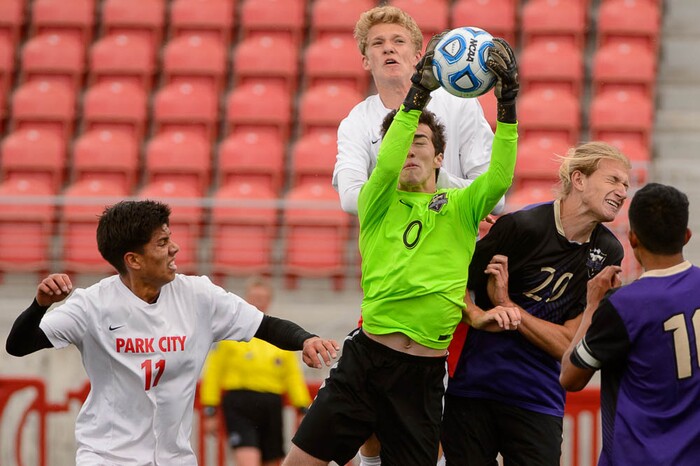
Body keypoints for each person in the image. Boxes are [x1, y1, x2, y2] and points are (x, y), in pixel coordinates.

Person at [281, 30, 520, 466]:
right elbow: (389, 158)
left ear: (440, 158)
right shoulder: (377, 201)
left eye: (422, 143)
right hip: (366, 362)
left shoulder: (463, 205)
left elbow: (500, 179)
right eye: (403, 144)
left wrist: (507, 108)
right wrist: (416, 97)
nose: (410, 151)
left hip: (425, 374)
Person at [4, 200, 339, 466]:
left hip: (174, 458)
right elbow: (18, 346)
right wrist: (39, 305)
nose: (175, 248)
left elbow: (264, 325)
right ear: (133, 260)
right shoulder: (91, 305)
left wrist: (305, 339)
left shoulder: (199, 295)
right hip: (107, 457)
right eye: (163, 242)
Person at [442, 142, 632, 465]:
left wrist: (509, 306)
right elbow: (453, 280)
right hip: (475, 390)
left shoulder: (609, 253)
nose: (623, 192)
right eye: (613, 180)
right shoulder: (521, 227)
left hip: (538, 399)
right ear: (579, 179)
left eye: (626, 185)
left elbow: (568, 345)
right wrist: (476, 314)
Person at [561, 183, 700, 465]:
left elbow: (570, 377)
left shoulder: (624, 305)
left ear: (633, 238)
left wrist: (591, 307)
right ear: (687, 236)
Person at [333, 4, 503, 216]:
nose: (388, 48)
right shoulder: (356, 121)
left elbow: (495, 199)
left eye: (399, 41)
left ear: (416, 56)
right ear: (366, 61)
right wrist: (428, 184)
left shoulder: (459, 104)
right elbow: (350, 198)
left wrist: (429, 179)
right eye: (378, 43)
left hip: (454, 245)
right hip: (392, 247)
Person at [200, 276, 312, 466]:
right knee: (248, 460)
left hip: (271, 403)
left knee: (271, 460)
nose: (258, 302)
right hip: (240, 402)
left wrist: (302, 407)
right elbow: (213, 373)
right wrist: (210, 409)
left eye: (263, 298)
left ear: (269, 301)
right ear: (245, 299)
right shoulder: (230, 334)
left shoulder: (279, 338)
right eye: (254, 297)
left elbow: (292, 376)